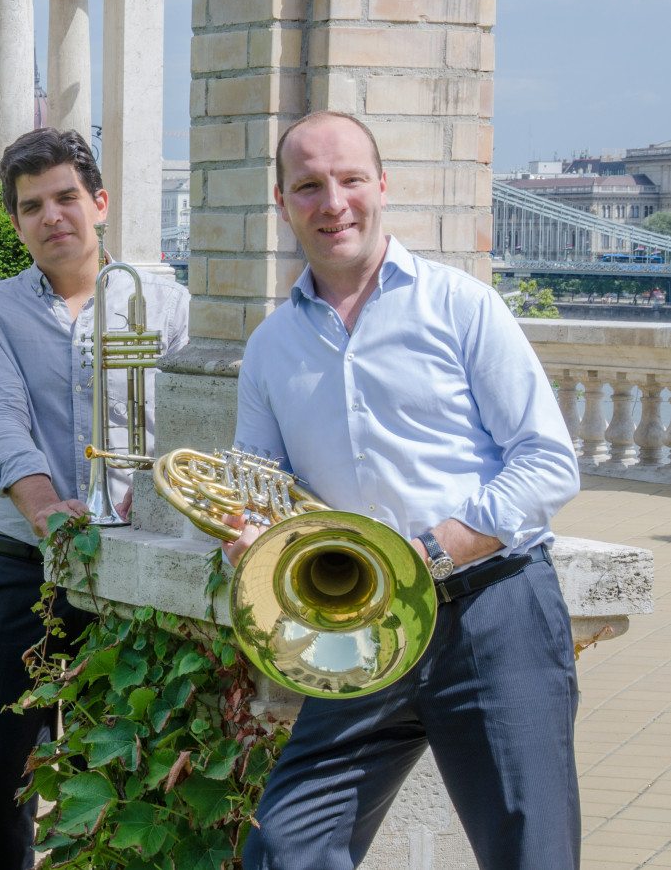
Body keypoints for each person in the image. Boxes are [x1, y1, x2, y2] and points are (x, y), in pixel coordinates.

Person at [230, 111, 581, 870]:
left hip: (495, 612)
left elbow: (548, 462)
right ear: (282, 201)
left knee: (531, 854)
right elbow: (259, 491)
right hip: (362, 631)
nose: (333, 203)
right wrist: (248, 536)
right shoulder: (268, 347)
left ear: (382, 186)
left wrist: (434, 551)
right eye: (308, 186)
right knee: (284, 848)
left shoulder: (462, 305)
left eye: (350, 179)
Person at [0, 127, 190, 869]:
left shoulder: (167, 306)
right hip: (22, 564)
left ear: (100, 203)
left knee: (117, 775)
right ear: (15, 221)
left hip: (132, 571)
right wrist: (43, 508)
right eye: (31, 207)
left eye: (65, 198)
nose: (51, 217)